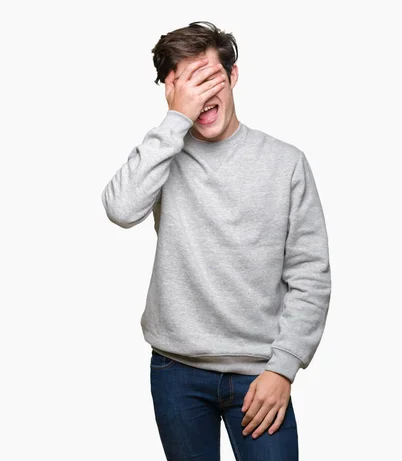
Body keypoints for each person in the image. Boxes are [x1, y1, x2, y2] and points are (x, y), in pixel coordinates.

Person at [101, 21, 332, 461]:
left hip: (259, 372)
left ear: (233, 76)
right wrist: (174, 120)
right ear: (171, 93)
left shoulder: (286, 163)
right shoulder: (163, 155)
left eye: (209, 79)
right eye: (187, 86)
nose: (203, 97)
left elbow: (310, 275)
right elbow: (120, 208)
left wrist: (283, 368)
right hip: (176, 371)